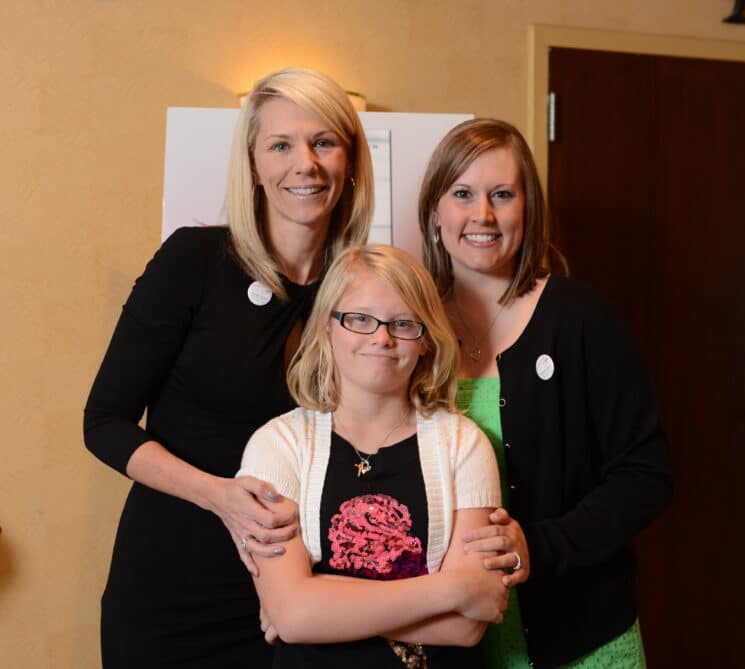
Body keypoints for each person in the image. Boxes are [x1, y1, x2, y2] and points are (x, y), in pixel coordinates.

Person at [83, 67, 374, 668]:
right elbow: (103, 422)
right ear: (252, 164)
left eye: (324, 142)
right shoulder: (193, 262)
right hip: (173, 589)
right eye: (281, 145)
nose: (306, 164)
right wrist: (220, 497)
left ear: (349, 163)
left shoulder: (360, 291)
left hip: (296, 595)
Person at [418, 118, 674, 669]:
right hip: (451, 641)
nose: (482, 215)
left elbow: (646, 475)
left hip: (583, 635)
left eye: (502, 195)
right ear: (435, 211)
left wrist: (541, 545)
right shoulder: (408, 327)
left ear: (527, 209)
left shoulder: (584, 320)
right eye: (462, 194)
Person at [237, 244, 508, 668]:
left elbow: (466, 627)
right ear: (328, 327)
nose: (381, 338)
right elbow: (292, 616)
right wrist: (453, 590)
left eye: (402, 323)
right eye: (359, 319)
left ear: (425, 341)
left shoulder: (465, 445)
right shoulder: (278, 446)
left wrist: (320, 602)